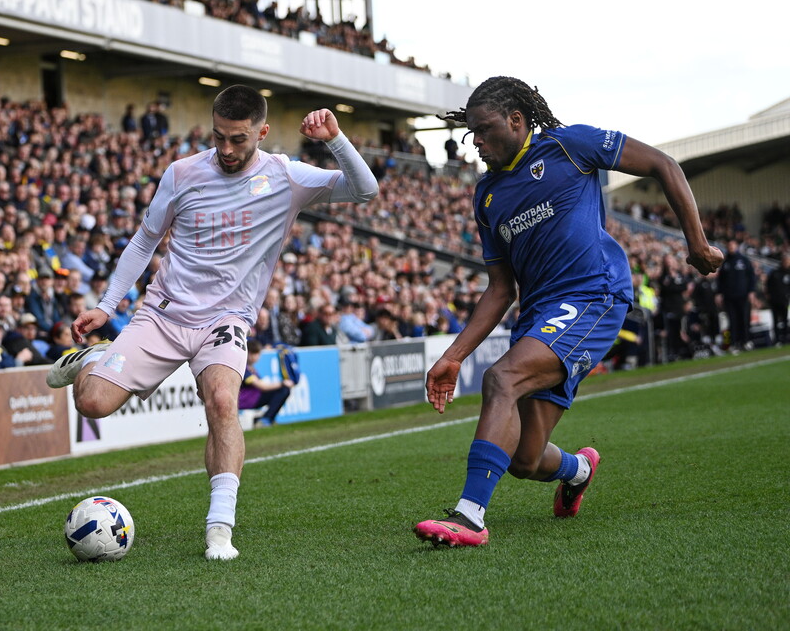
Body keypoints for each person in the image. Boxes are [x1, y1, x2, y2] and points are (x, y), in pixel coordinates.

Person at [46, 85, 378, 560]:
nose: (226, 149)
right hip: (163, 314)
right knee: (94, 404)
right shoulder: (182, 173)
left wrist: (335, 139)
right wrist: (107, 305)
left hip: (226, 319)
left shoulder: (287, 176)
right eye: (219, 137)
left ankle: (219, 529)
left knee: (222, 401)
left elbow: (365, 190)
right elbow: (144, 242)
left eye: (238, 140)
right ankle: (93, 360)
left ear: (262, 132)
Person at [414, 76, 722, 548]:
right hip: (539, 316)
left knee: (501, 378)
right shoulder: (487, 197)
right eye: (470, 132)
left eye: (483, 129)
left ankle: (470, 516)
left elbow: (663, 163)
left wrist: (696, 242)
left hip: (593, 296)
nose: (474, 141)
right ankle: (578, 469)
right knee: (524, 458)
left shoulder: (569, 145)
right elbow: (500, 289)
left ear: (517, 121)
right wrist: (455, 354)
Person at [239, 339, 293, 427]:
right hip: (246, 401)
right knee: (283, 390)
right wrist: (282, 383)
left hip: (253, 398)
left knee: (284, 391)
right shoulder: (244, 369)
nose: (256, 357)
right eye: (254, 353)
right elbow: (262, 387)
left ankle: (267, 418)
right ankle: (265, 419)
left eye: (257, 354)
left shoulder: (251, 369)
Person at [717, 239, 756, 352]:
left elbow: (751, 277)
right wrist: (719, 293)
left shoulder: (744, 261)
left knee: (744, 319)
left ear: (737, 246)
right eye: (729, 245)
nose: (731, 247)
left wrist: (751, 291)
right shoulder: (725, 263)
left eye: (733, 245)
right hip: (729, 297)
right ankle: (734, 343)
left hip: (743, 296)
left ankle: (746, 341)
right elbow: (720, 280)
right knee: (732, 320)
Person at [766, 252, 790, 346]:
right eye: (785, 260)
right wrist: (769, 295)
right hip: (775, 300)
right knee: (775, 320)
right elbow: (768, 285)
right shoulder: (775, 272)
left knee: (785, 320)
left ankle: (785, 338)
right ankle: (777, 339)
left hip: (786, 301)